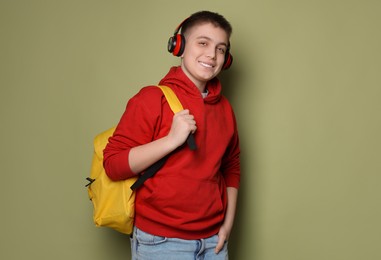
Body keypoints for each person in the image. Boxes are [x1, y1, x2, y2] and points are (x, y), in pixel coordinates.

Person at [103, 10, 240, 260]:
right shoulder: (151, 99)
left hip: (213, 244)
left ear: (226, 58)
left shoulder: (225, 109)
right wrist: (171, 140)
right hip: (162, 243)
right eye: (203, 43)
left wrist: (227, 226)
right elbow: (113, 165)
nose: (211, 54)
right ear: (179, 46)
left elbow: (231, 167)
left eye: (221, 49)